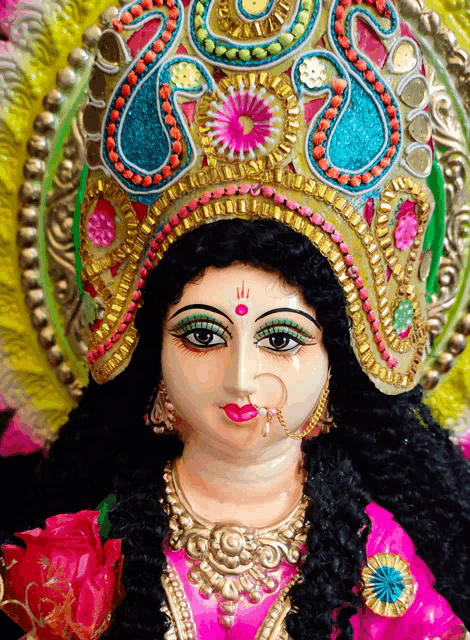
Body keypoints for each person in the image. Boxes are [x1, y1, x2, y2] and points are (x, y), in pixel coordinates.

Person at [1, 0, 470, 636]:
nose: (241, 377)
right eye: (202, 336)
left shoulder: (381, 567)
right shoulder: (81, 558)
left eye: (281, 339)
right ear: (148, 356)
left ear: (344, 360)